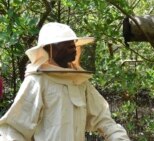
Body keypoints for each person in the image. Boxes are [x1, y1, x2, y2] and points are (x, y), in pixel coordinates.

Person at [0, 22, 130, 141]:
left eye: (73, 43)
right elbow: (13, 129)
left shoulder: (79, 81)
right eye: (66, 43)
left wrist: (118, 137)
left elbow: (103, 119)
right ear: (49, 48)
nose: (73, 47)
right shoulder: (36, 81)